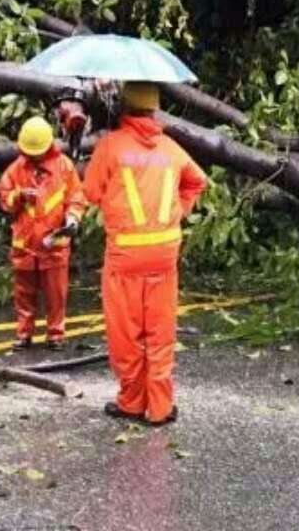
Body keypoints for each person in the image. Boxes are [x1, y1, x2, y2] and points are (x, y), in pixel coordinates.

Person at [83, 80, 208, 426]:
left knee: (127, 331)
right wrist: (176, 213)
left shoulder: (111, 147)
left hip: (125, 257)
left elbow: (91, 193)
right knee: (160, 329)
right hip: (165, 251)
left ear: (123, 106)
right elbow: (198, 181)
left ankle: (132, 402)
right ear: (154, 109)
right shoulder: (171, 148)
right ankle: (161, 407)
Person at [0, 115, 85, 350]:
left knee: (56, 294)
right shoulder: (16, 169)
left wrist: (73, 218)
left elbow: (76, 197)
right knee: (24, 294)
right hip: (25, 244)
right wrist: (19, 195)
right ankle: (24, 334)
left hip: (54, 243)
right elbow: (3, 198)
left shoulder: (64, 166)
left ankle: (56, 335)